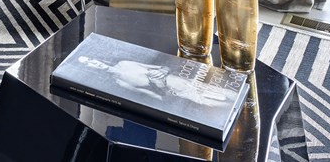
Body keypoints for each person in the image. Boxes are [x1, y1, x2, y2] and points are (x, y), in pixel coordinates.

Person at [78, 56, 233, 107]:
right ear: (91, 68)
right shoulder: (119, 82)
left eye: (91, 59)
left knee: (212, 91)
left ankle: (236, 100)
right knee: (204, 101)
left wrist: (163, 71)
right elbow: (151, 95)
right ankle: (233, 107)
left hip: (173, 80)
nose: (94, 62)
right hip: (170, 91)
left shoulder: (125, 63)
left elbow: (163, 67)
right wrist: (165, 97)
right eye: (88, 63)